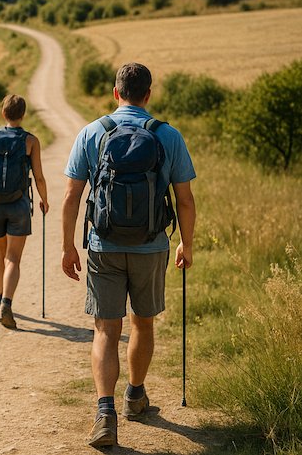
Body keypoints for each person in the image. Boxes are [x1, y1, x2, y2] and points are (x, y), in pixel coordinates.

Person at [61, 63, 196, 447]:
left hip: (103, 245)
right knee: (143, 323)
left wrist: (68, 246)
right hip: (151, 246)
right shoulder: (167, 136)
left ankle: (104, 413)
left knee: (106, 328)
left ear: (116, 93)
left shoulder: (93, 132)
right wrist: (186, 242)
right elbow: (184, 200)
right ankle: (135, 395)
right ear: (148, 95)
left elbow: (72, 195)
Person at [0, 94, 49, 329]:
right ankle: (7, 302)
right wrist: (44, 200)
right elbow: (38, 176)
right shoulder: (31, 141)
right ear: (23, 114)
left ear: (3, 113)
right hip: (18, 205)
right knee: (13, 258)